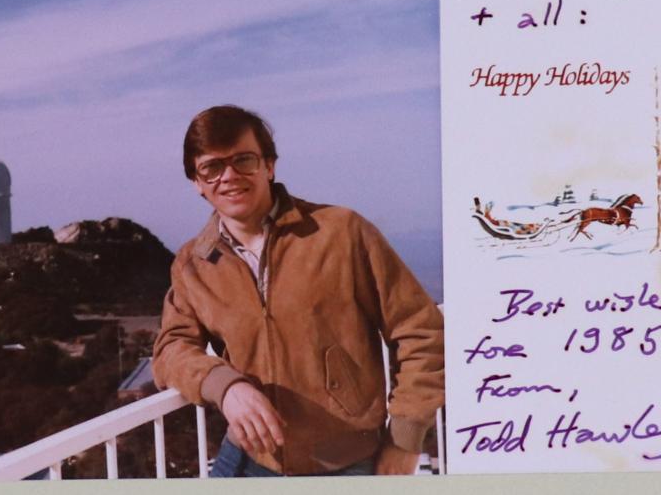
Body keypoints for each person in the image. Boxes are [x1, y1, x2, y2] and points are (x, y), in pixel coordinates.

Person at [152, 105, 444, 477]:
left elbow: (419, 330)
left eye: (244, 160)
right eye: (211, 167)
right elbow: (171, 349)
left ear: (269, 165)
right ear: (197, 181)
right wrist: (225, 387)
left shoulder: (341, 232)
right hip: (249, 459)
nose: (229, 176)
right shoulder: (193, 263)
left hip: (348, 462)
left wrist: (406, 438)